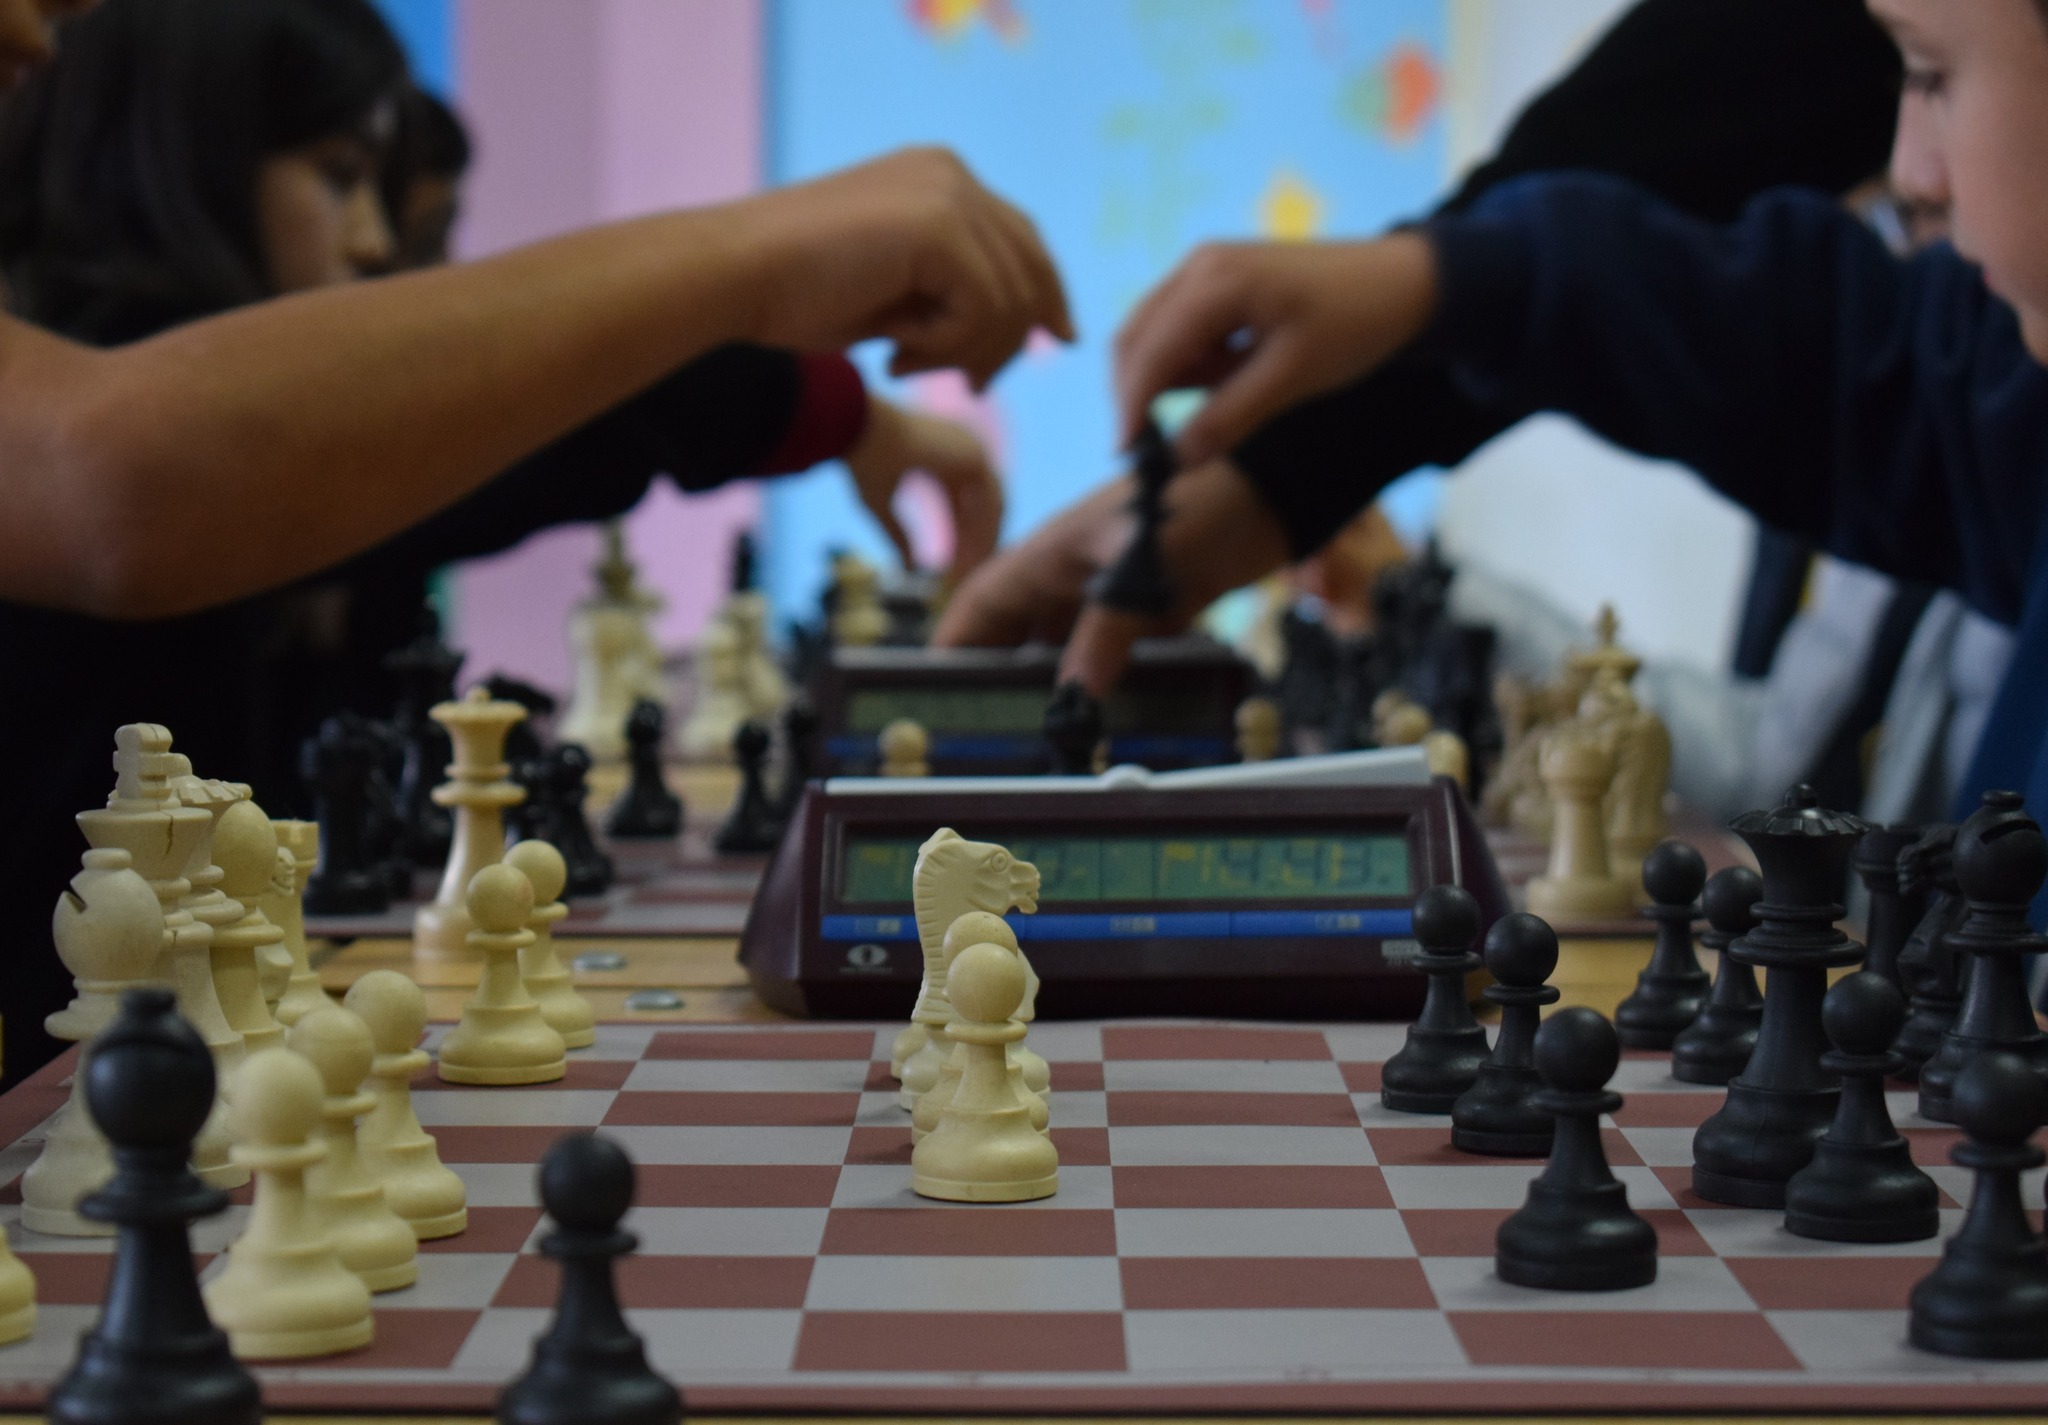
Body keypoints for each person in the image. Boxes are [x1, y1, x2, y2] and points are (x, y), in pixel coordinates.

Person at [0, 0, 1070, 1086]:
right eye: (338, 175)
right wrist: (764, 264)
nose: (375, 244)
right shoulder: (142, 458)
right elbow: (133, 479)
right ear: (173, 160)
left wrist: (828, 400)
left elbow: (522, 437)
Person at [943, 0, 2048, 878]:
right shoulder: (1997, 403)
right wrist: (1437, 294)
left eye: (1930, 72)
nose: (1911, 173)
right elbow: (1847, 360)